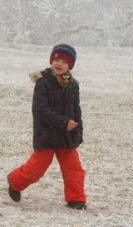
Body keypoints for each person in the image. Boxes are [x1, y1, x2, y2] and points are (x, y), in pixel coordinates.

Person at [6, 43, 87, 210]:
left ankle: (76, 199)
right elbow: (40, 110)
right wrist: (64, 123)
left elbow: (76, 110)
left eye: (64, 62)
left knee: (74, 169)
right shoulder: (43, 82)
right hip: (47, 135)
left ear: (70, 65)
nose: (59, 64)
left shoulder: (73, 85)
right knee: (35, 170)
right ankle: (14, 181)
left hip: (67, 137)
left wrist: (78, 130)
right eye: (56, 60)